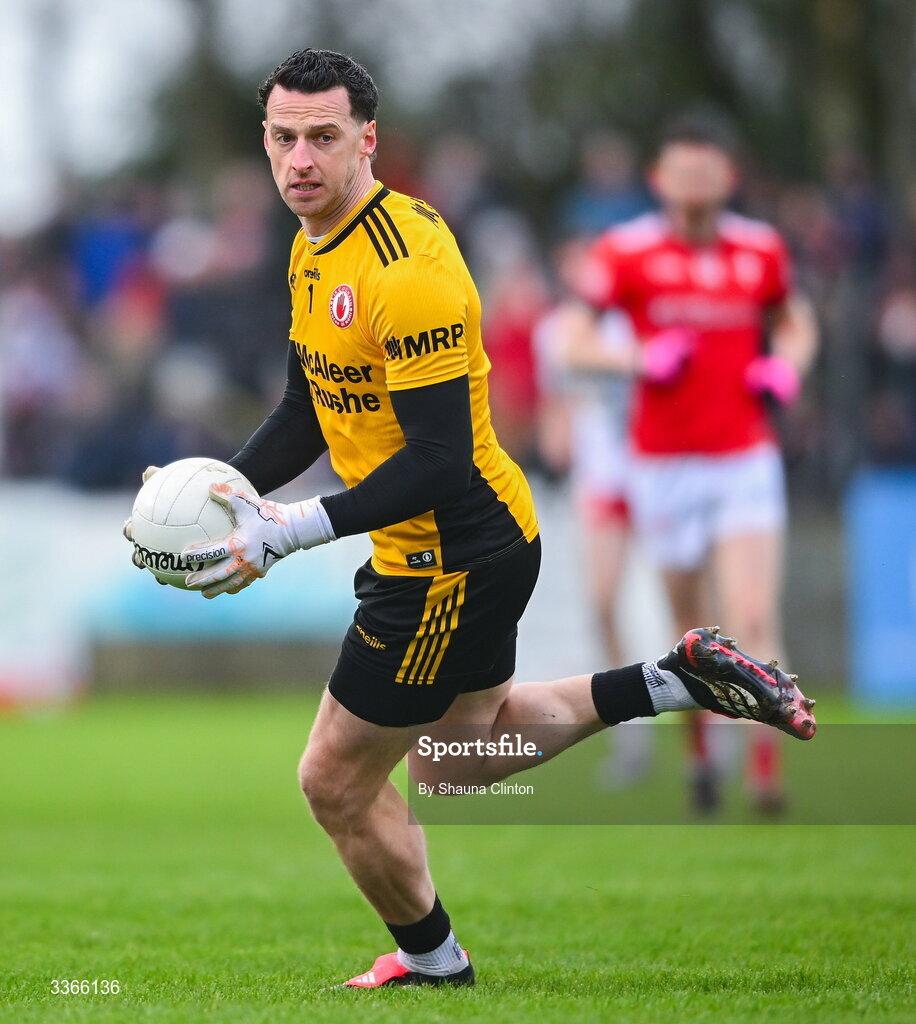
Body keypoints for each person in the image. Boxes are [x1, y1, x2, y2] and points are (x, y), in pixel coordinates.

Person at [123, 52, 817, 987]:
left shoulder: (405, 266)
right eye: (284, 138)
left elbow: (439, 462)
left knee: (332, 779)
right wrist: (216, 495)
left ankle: (434, 961)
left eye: (323, 137)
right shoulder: (310, 242)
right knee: (458, 760)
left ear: (368, 140)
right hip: (458, 544)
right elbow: (306, 409)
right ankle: (671, 679)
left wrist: (285, 532)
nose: (300, 159)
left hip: (452, 552)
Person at [564, 118, 819, 813]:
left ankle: (766, 773)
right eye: (684, 172)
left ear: (728, 179)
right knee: (693, 626)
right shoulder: (627, 252)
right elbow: (574, 339)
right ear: (660, 179)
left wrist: (785, 367)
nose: (697, 185)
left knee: (753, 609)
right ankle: (701, 757)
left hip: (744, 457)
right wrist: (639, 359)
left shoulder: (759, 249)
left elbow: (795, 321)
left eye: (709, 172)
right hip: (662, 464)